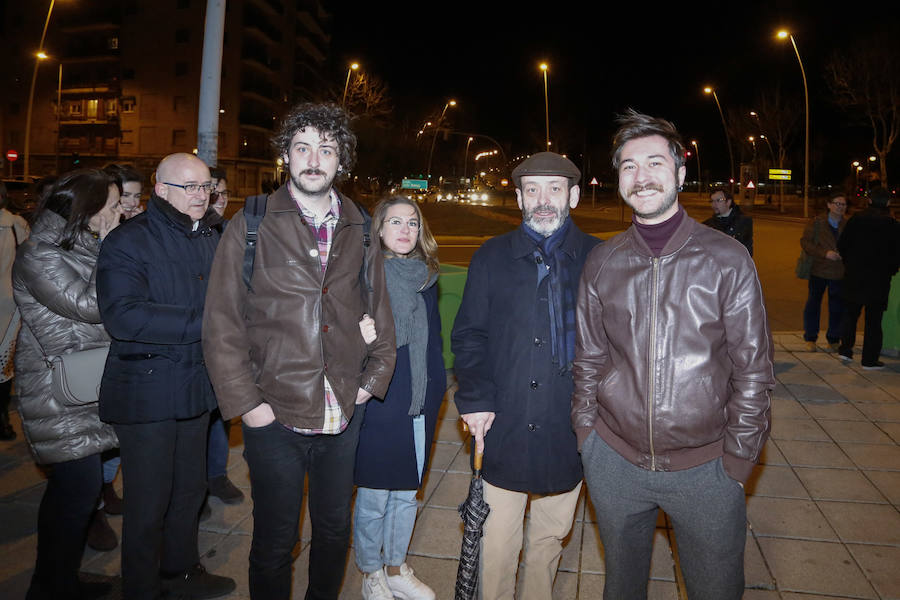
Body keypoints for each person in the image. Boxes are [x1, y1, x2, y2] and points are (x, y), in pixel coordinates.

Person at [571, 110, 774, 600]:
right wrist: (587, 438)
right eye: (629, 167)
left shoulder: (727, 259)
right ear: (618, 179)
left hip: (707, 469)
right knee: (621, 588)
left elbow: (753, 370)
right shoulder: (602, 263)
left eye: (655, 163)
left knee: (716, 590)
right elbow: (589, 359)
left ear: (681, 174)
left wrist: (737, 459)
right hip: (615, 462)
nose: (642, 177)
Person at [202, 102, 396, 599]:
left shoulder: (360, 225)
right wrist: (250, 406)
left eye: (326, 149)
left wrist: (370, 386)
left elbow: (380, 312)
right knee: (275, 540)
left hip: (342, 414)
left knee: (333, 533)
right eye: (303, 147)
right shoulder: (251, 223)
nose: (314, 159)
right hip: (276, 415)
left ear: (341, 160)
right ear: (285, 155)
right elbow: (221, 323)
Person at [451, 152, 601, 600]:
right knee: (495, 543)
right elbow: (470, 336)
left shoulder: (599, 257)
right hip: (505, 425)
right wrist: (475, 399)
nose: (543, 199)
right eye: (532, 189)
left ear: (573, 195)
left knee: (549, 540)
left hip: (567, 427)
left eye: (554, 188)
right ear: (517, 198)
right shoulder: (492, 256)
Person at [97, 153, 235, 600]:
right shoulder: (127, 241)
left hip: (196, 386)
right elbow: (124, 317)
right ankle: (141, 587)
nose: (202, 195)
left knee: (190, 488)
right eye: (190, 187)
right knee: (148, 500)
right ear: (161, 189)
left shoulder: (211, 235)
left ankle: (182, 570)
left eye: (207, 186)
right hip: (147, 389)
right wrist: (211, 321)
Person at [12, 169, 121, 599]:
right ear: (88, 210)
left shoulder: (77, 245)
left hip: (83, 385)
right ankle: (50, 586)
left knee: (77, 492)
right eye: (112, 206)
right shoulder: (38, 253)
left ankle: (56, 581)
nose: (119, 212)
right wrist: (115, 249)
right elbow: (90, 305)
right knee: (74, 492)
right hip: (58, 390)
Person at [354, 196, 445, 600]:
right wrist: (360, 337)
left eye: (412, 222)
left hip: (419, 395)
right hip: (380, 396)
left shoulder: (426, 277)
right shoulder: (363, 278)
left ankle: (395, 567)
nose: (405, 230)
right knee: (374, 494)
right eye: (395, 222)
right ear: (379, 229)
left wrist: (437, 390)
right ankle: (370, 570)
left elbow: (434, 343)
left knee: (407, 493)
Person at [201, 166, 244, 510]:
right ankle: (193, 487)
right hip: (192, 339)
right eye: (212, 192)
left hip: (227, 340)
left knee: (221, 411)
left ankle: (216, 474)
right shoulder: (189, 233)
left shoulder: (231, 231)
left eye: (224, 193)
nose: (219, 200)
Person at [837, 188, 900, 370]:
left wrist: (851, 263)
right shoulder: (893, 225)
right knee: (874, 320)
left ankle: (845, 350)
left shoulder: (856, 220)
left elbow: (843, 245)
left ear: (869, 201)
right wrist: (890, 269)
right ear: (888, 203)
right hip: (879, 280)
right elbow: (897, 254)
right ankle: (869, 360)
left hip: (855, 276)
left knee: (850, 314)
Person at [1, 181, 30, 441]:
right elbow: (27, 261)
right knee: (3, 364)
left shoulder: (14, 224)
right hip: (8, 302)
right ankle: (2, 420)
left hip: (7, 303)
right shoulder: (15, 224)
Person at [801, 193, 847, 352]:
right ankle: (810, 338)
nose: (840, 207)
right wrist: (825, 253)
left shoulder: (847, 224)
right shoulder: (817, 222)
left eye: (843, 204)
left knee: (837, 307)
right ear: (828, 205)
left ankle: (834, 338)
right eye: (837, 203)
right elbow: (805, 242)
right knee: (813, 304)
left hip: (839, 272)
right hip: (819, 270)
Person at [703, 188, 753, 255]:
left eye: (718, 200)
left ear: (728, 202)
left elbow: (747, 251)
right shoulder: (707, 224)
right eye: (712, 201)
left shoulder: (743, 221)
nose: (714, 205)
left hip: (735, 264)